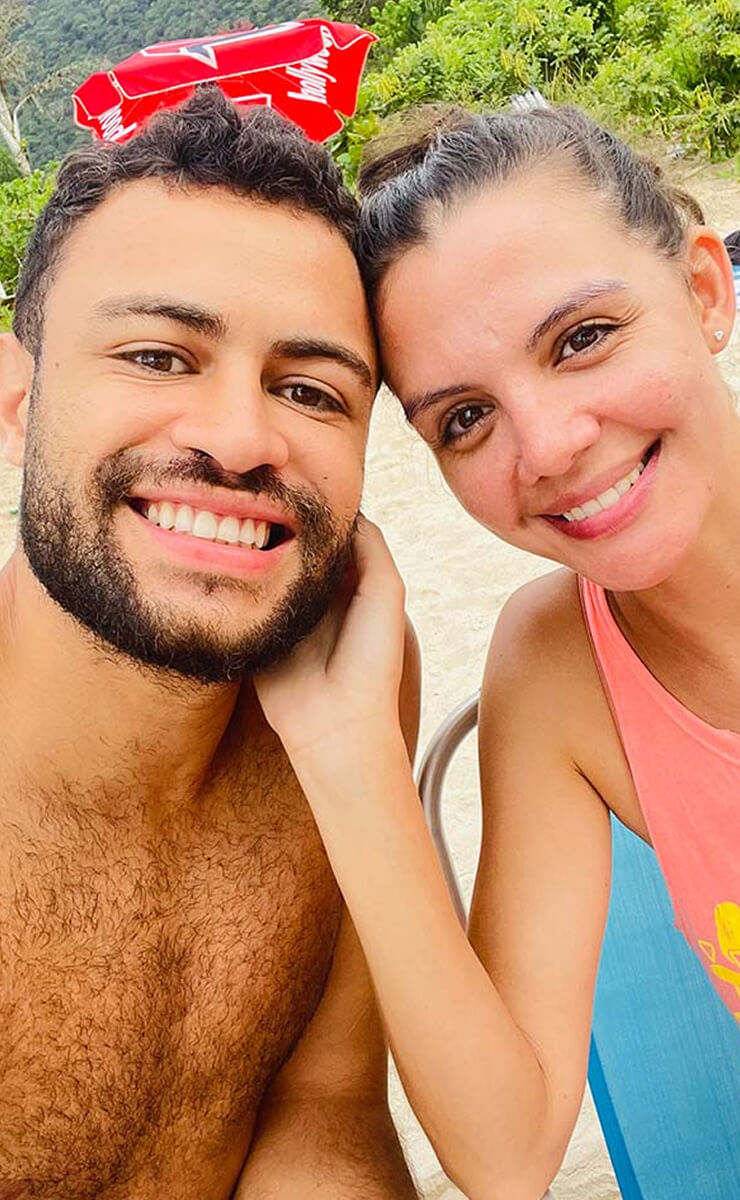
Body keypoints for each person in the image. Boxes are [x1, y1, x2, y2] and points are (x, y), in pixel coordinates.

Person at [256, 102, 738, 1200]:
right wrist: (346, 752)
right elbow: (508, 1150)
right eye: (465, 419)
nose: (550, 448)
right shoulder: (562, 669)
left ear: (704, 291)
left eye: (582, 339)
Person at [0, 86, 422, 1199]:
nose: (239, 441)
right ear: (17, 400)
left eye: (309, 390)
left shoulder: (344, 688)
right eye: (157, 357)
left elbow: (323, 1108)